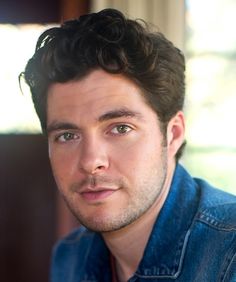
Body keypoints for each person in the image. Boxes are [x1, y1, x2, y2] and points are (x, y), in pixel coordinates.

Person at [22, 8, 236, 282]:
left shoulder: (229, 255)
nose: (90, 161)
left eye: (120, 128)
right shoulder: (70, 257)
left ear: (172, 134)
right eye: (67, 135)